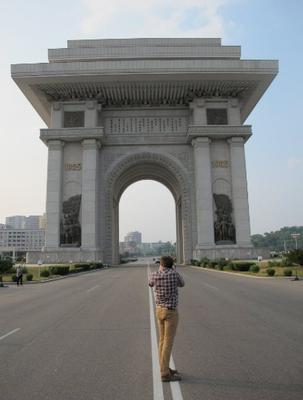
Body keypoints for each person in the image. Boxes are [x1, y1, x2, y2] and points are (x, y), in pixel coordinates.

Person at [148, 255, 185, 382]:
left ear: (161, 264)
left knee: (162, 341)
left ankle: (165, 368)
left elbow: (150, 284)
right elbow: (182, 284)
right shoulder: (174, 274)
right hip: (171, 312)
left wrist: (160, 270)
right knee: (168, 342)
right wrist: (173, 270)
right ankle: (165, 373)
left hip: (159, 311)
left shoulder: (154, 275)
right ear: (171, 265)